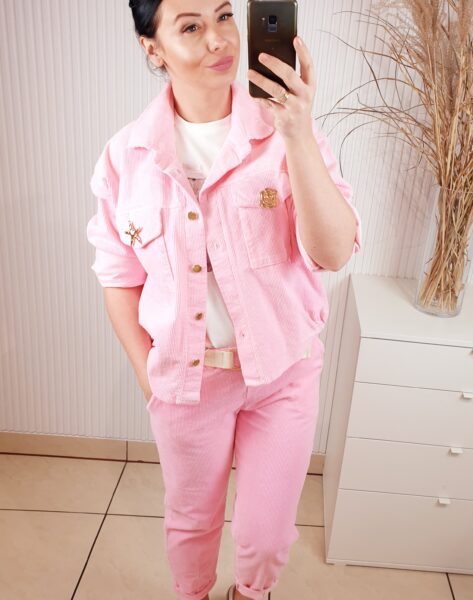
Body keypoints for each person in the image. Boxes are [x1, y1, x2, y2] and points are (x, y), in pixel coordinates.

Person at [86, 1, 362, 599]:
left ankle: (250, 595)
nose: (218, 39)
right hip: (187, 385)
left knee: (267, 537)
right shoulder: (126, 158)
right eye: (190, 26)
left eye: (224, 16)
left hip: (283, 375)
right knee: (191, 524)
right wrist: (149, 377)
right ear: (152, 48)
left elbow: (335, 252)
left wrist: (297, 135)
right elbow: (118, 277)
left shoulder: (287, 133)